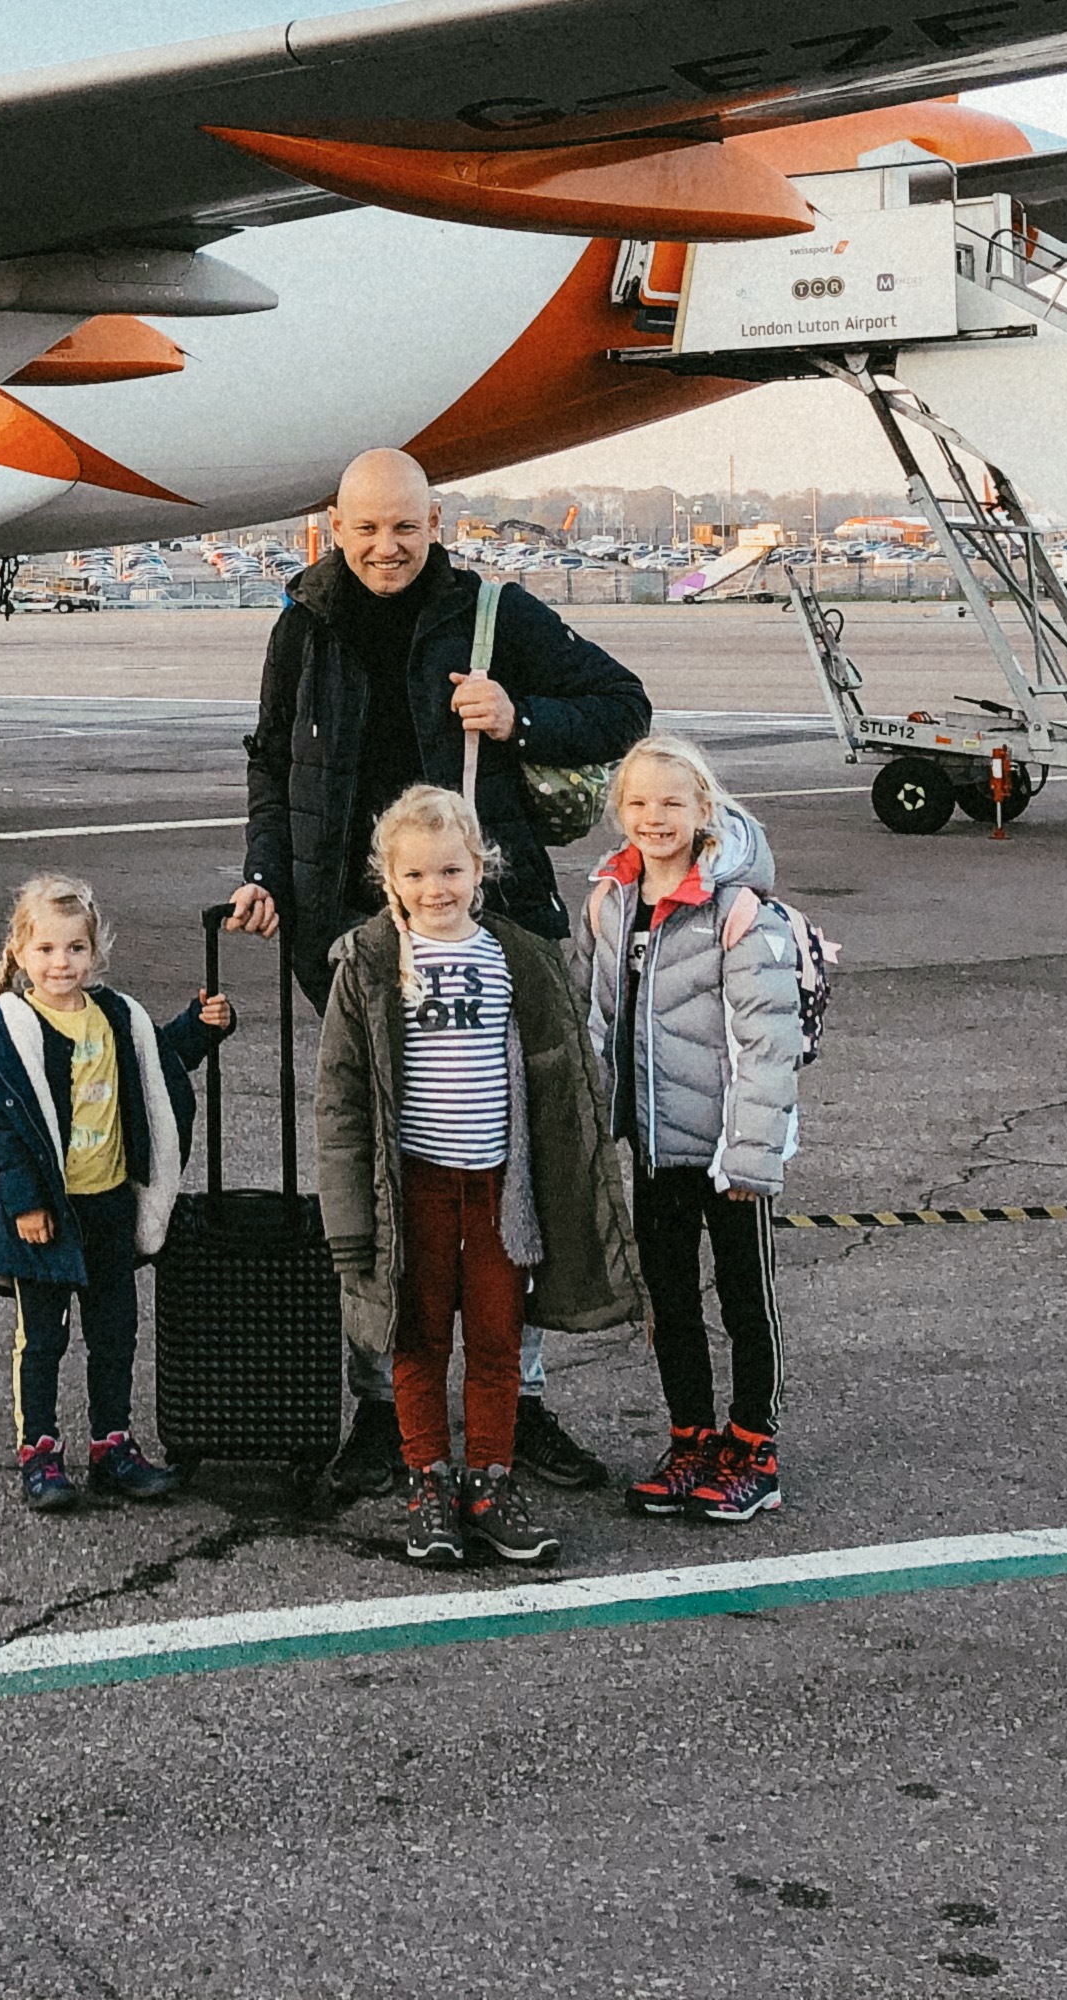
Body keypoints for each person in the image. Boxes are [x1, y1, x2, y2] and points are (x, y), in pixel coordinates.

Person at [230, 446, 651, 1499]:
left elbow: (623, 704)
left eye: (406, 528)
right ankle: (381, 1412)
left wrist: (519, 716)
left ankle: (524, 1400)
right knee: (382, 1176)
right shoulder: (303, 625)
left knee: (510, 1170)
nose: (388, 548)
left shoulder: (492, 614)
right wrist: (266, 874)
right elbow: (271, 761)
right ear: (335, 529)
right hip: (353, 944)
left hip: (490, 931)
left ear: (436, 524)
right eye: (368, 529)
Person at [313, 783, 567, 1571]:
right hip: (413, 1189)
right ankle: (428, 1478)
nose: (436, 889)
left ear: (481, 869)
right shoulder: (369, 963)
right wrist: (348, 1220)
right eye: (416, 874)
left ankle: (490, 1480)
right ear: (389, 878)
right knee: (417, 1339)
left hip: (496, 1189)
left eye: (452, 870)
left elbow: (559, 1082)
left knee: (496, 1338)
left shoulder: (512, 958)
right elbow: (340, 1099)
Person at [0, 872, 233, 1512]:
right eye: (45, 949)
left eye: (75, 948)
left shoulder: (117, 1017)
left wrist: (201, 1027)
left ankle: (111, 1446)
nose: (61, 963)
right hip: (46, 1213)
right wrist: (27, 1202)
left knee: (115, 1333)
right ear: (18, 951)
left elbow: (158, 1065)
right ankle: (39, 1453)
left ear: (95, 951)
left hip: (109, 1205)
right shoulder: (4, 1033)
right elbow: (6, 1130)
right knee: (42, 1338)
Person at [574, 733, 803, 1526]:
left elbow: (767, 1042)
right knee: (668, 1301)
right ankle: (691, 1441)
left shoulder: (738, 910)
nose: (655, 817)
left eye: (672, 802)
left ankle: (755, 1449)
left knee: (745, 1299)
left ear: (704, 808)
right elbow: (593, 1020)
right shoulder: (609, 903)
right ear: (619, 810)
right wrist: (594, 1123)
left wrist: (750, 1156)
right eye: (638, 802)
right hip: (654, 1145)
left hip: (726, 1151)